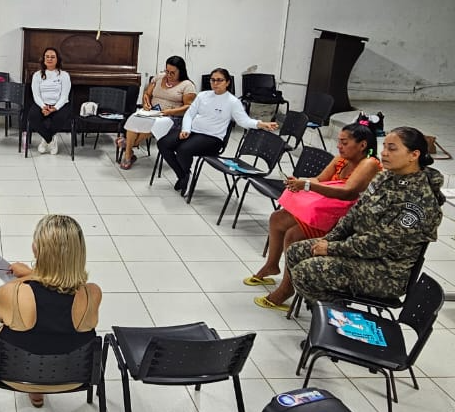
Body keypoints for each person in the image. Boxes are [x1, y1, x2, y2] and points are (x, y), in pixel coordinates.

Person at [287, 126, 445, 303]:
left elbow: (379, 243)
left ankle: (336, 316)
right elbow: (353, 214)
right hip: (358, 252)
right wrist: (328, 240)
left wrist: (331, 249)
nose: (384, 153)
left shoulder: (418, 200)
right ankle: (327, 309)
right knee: (296, 251)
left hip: (384, 271)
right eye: (384, 147)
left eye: (392, 149)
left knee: (307, 271)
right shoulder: (384, 178)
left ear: (414, 155)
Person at [249, 123, 382, 310]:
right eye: (339, 142)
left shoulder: (369, 163)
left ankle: (287, 287)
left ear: (362, 145)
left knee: (293, 236)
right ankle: (272, 265)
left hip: (343, 219)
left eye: (344, 142)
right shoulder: (341, 160)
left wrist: (308, 186)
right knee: (277, 219)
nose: (339, 146)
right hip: (325, 209)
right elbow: (320, 180)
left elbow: (347, 192)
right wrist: (300, 181)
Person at [0, 214, 101, 407]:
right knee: (50, 339)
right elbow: (57, 291)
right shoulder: (92, 294)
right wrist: (30, 274)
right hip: (72, 376)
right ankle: (39, 390)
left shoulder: (12, 292)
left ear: (37, 249)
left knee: (27, 336)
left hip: (15, 374)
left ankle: (35, 389)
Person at [157, 68, 278, 195]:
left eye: (219, 80)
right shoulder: (203, 95)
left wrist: (260, 124)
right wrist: (186, 129)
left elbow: (244, 121)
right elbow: (189, 114)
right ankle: (184, 176)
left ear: (227, 82)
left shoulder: (232, 102)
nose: (215, 83)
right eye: (213, 80)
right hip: (193, 131)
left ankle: (185, 176)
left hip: (212, 138)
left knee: (183, 149)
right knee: (163, 143)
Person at [117, 56, 197, 170]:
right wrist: (146, 103)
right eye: (167, 71)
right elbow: (147, 94)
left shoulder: (187, 85)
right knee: (134, 118)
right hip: (153, 112)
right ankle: (129, 151)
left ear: (181, 71)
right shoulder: (159, 78)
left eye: (172, 73)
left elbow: (189, 107)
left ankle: (130, 148)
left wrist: (170, 111)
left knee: (154, 123)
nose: (168, 75)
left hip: (172, 117)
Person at [28, 47, 72, 155]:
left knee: (60, 118)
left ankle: (45, 139)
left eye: (52, 57)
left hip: (59, 105)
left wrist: (55, 108)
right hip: (42, 104)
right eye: (47, 57)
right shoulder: (37, 75)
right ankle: (50, 139)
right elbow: (36, 95)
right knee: (32, 117)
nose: (49, 59)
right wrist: (43, 106)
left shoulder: (64, 75)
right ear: (43, 59)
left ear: (57, 59)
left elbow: (64, 96)